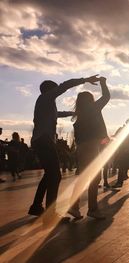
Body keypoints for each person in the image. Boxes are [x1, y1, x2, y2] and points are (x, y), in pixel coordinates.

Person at [28, 74, 100, 223]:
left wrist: (74, 113)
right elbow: (65, 85)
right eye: (55, 90)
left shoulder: (46, 104)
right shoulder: (46, 98)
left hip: (41, 141)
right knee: (55, 176)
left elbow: (57, 114)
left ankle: (36, 206)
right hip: (44, 141)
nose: (57, 93)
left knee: (49, 175)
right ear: (49, 90)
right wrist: (85, 80)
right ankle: (50, 215)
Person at [68, 76, 110, 220]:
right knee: (95, 177)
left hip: (81, 148)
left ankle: (74, 207)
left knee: (83, 177)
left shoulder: (79, 115)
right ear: (90, 100)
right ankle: (92, 209)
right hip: (92, 147)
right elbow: (106, 97)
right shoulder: (93, 109)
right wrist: (103, 83)